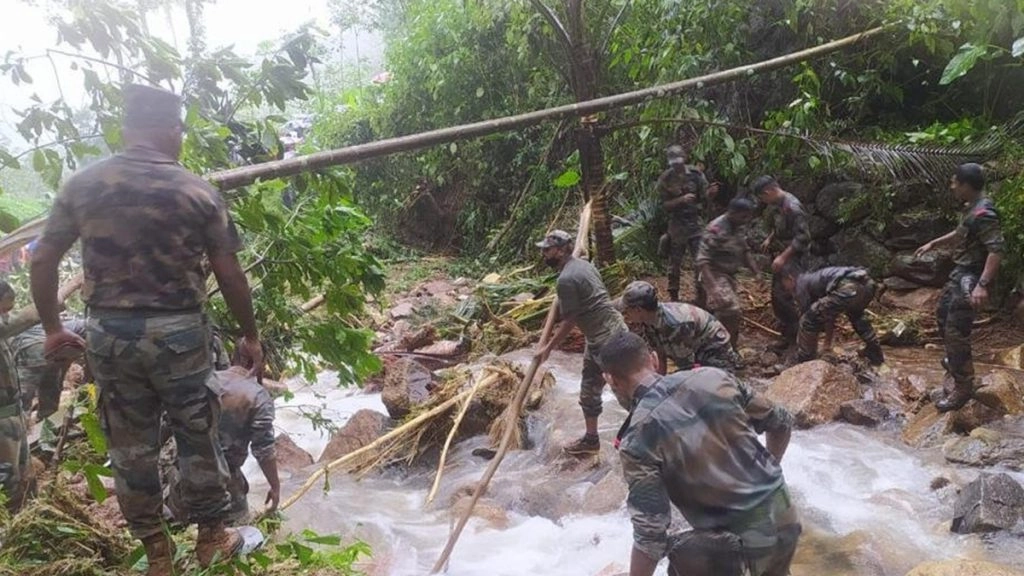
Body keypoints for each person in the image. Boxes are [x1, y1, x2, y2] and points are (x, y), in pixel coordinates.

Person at [30, 83, 264, 574]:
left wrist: (53, 328)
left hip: (109, 334)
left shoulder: (83, 186)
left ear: (126, 129)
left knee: (130, 444)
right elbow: (230, 273)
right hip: (179, 334)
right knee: (197, 433)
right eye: (180, 130)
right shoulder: (197, 191)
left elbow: (44, 257)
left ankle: (158, 555)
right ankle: (210, 539)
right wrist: (250, 335)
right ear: (171, 130)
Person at [600, 331, 800, 576]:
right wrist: (768, 469)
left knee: (681, 554)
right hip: (784, 514)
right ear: (653, 359)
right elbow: (781, 422)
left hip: (737, 543)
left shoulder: (637, 439)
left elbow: (650, 533)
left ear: (612, 381)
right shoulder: (712, 377)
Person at [915, 163, 1004, 412]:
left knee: (956, 329)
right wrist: (933, 243)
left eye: (954, 182)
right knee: (942, 315)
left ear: (966, 185)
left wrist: (982, 286)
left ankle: (963, 387)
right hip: (960, 273)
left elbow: (996, 251)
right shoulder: (971, 209)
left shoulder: (985, 213)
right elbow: (959, 233)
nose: (952, 186)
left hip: (972, 278)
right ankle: (955, 362)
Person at [533, 229, 628, 457]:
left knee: (625, 389)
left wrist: (547, 348)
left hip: (609, 338)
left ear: (562, 250)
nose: (544, 254)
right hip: (600, 336)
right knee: (588, 390)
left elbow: (569, 321)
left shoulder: (566, 279)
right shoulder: (582, 265)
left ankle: (655, 430)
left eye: (548, 250)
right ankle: (591, 440)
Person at [165, 343, 279, 526]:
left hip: (183, 472)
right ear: (261, 363)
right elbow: (263, 450)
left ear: (233, 357)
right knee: (238, 538)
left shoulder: (204, 381)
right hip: (223, 482)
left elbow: (169, 422)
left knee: (180, 530)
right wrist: (275, 487)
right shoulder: (258, 397)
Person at [616, 280, 739, 374]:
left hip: (716, 354)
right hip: (696, 354)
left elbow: (687, 368)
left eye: (627, 310)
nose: (625, 314)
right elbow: (661, 355)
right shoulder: (649, 321)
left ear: (638, 310)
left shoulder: (675, 325)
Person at [752, 176, 810, 352]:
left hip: (794, 259)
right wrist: (771, 238)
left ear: (768, 192)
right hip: (783, 257)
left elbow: (803, 237)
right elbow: (781, 228)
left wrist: (783, 257)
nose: (763, 202)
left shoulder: (793, 207)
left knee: (787, 298)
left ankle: (797, 342)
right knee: (777, 297)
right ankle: (786, 336)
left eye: (762, 197)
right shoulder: (779, 205)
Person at [657, 145, 719, 303]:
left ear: (684, 159)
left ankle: (701, 299)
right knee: (674, 264)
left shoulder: (696, 175)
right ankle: (674, 298)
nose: (677, 166)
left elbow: (704, 197)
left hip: (695, 224)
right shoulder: (665, 179)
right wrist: (680, 200)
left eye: (679, 162)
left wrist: (710, 194)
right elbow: (663, 206)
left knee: (701, 261)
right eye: (674, 163)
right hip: (677, 225)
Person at [0, 280, 42, 512]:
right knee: (6, 489)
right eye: (3, 309)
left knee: (25, 484)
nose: (6, 315)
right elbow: (21, 320)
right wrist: (64, 290)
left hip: (11, 418)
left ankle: (26, 531)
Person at [696, 197, 759, 348]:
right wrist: (713, 288)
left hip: (730, 275)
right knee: (730, 310)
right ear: (732, 213)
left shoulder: (739, 226)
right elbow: (702, 261)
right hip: (714, 274)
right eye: (744, 216)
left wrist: (756, 272)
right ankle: (722, 347)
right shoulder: (716, 229)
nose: (747, 220)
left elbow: (744, 250)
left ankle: (728, 346)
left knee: (727, 313)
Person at [792, 266, 884, 365]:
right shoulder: (816, 279)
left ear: (790, 278)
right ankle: (875, 353)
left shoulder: (800, 283)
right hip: (868, 285)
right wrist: (827, 345)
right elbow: (828, 314)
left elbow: (808, 317)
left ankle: (806, 360)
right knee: (857, 316)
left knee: (808, 319)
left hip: (848, 287)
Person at [12, 319, 88, 420]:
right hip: (41, 346)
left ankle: (36, 426)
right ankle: (46, 422)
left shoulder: (62, 322)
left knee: (24, 396)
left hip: (23, 344)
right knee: (49, 391)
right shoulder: (92, 329)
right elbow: (86, 361)